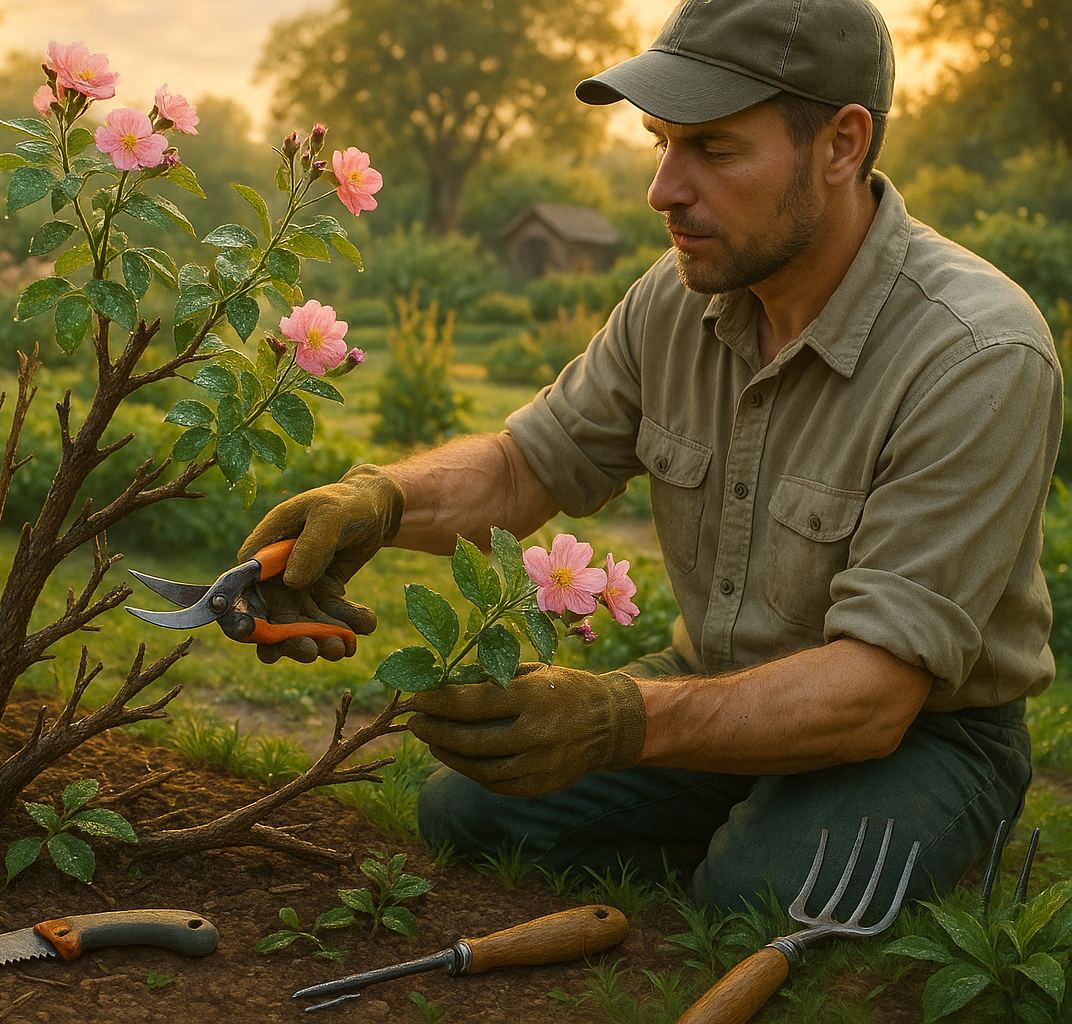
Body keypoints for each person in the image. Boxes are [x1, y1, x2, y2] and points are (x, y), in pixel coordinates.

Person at [237, 0, 1062, 911]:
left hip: (924, 730)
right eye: (660, 142)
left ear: (841, 145)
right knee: (469, 810)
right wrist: (376, 503)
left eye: (714, 149)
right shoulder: (677, 298)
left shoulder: (976, 352)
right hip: (715, 687)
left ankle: (857, 829)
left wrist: (620, 720)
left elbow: (874, 691)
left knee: (753, 895)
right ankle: (760, 808)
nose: (664, 189)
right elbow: (526, 468)